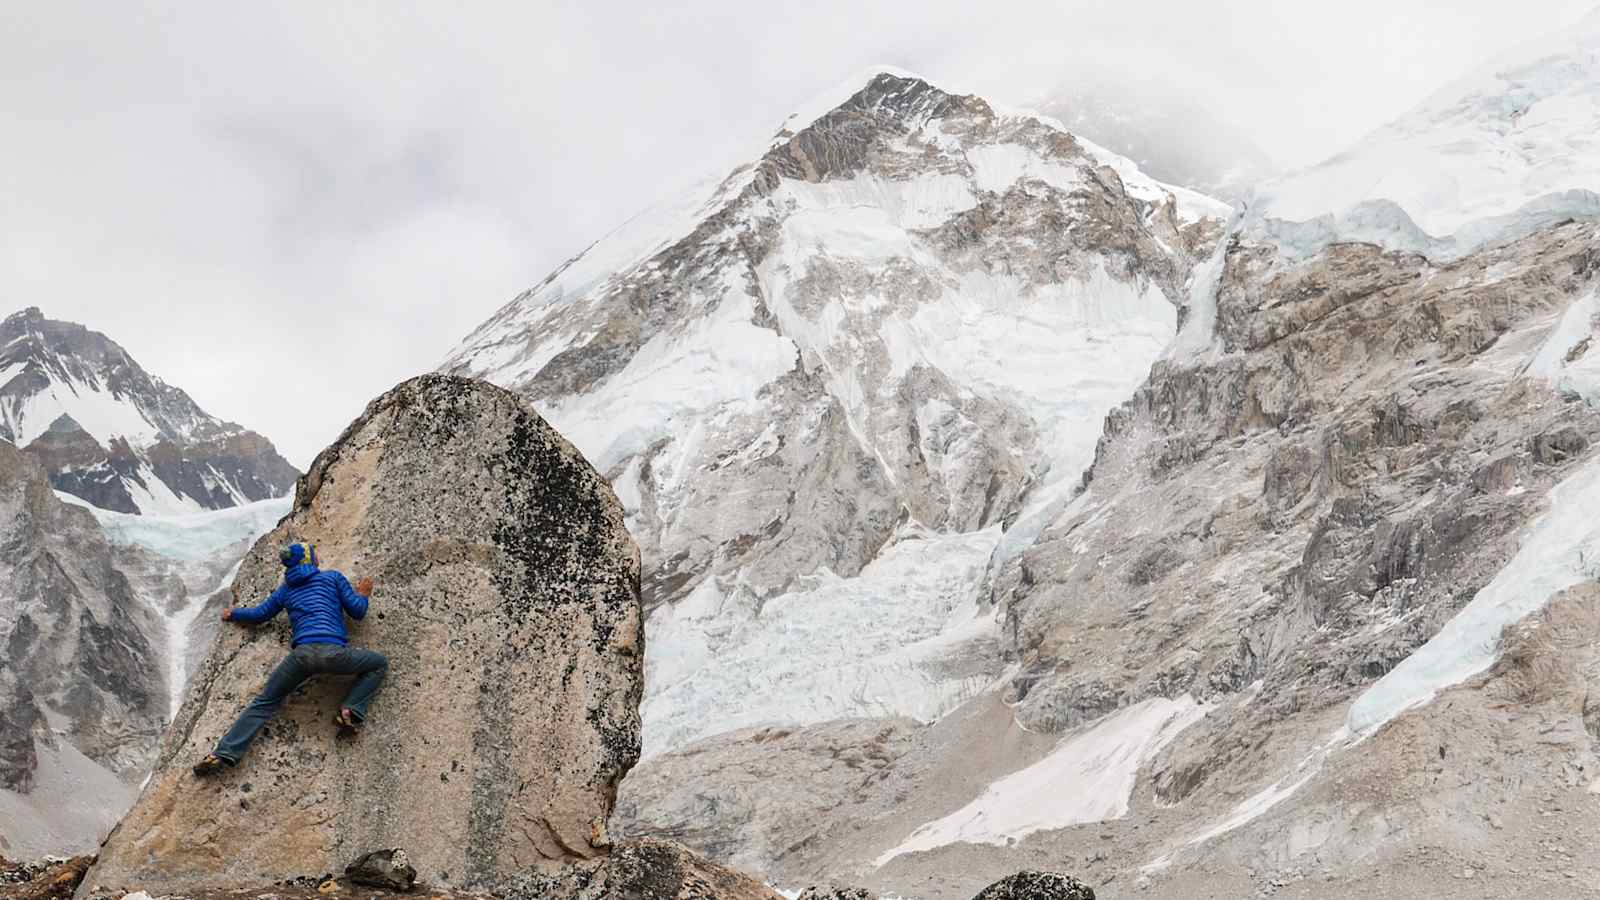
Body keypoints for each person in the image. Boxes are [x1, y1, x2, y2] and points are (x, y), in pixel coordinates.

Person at [192, 542, 387, 776]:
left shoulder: (286, 590)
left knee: (265, 702)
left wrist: (234, 613)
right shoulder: (332, 578)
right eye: (315, 553)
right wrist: (363, 594)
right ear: (309, 560)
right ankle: (350, 710)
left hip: (301, 656)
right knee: (378, 663)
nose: (318, 555)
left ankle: (223, 753)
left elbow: (260, 615)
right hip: (334, 653)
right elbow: (357, 611)